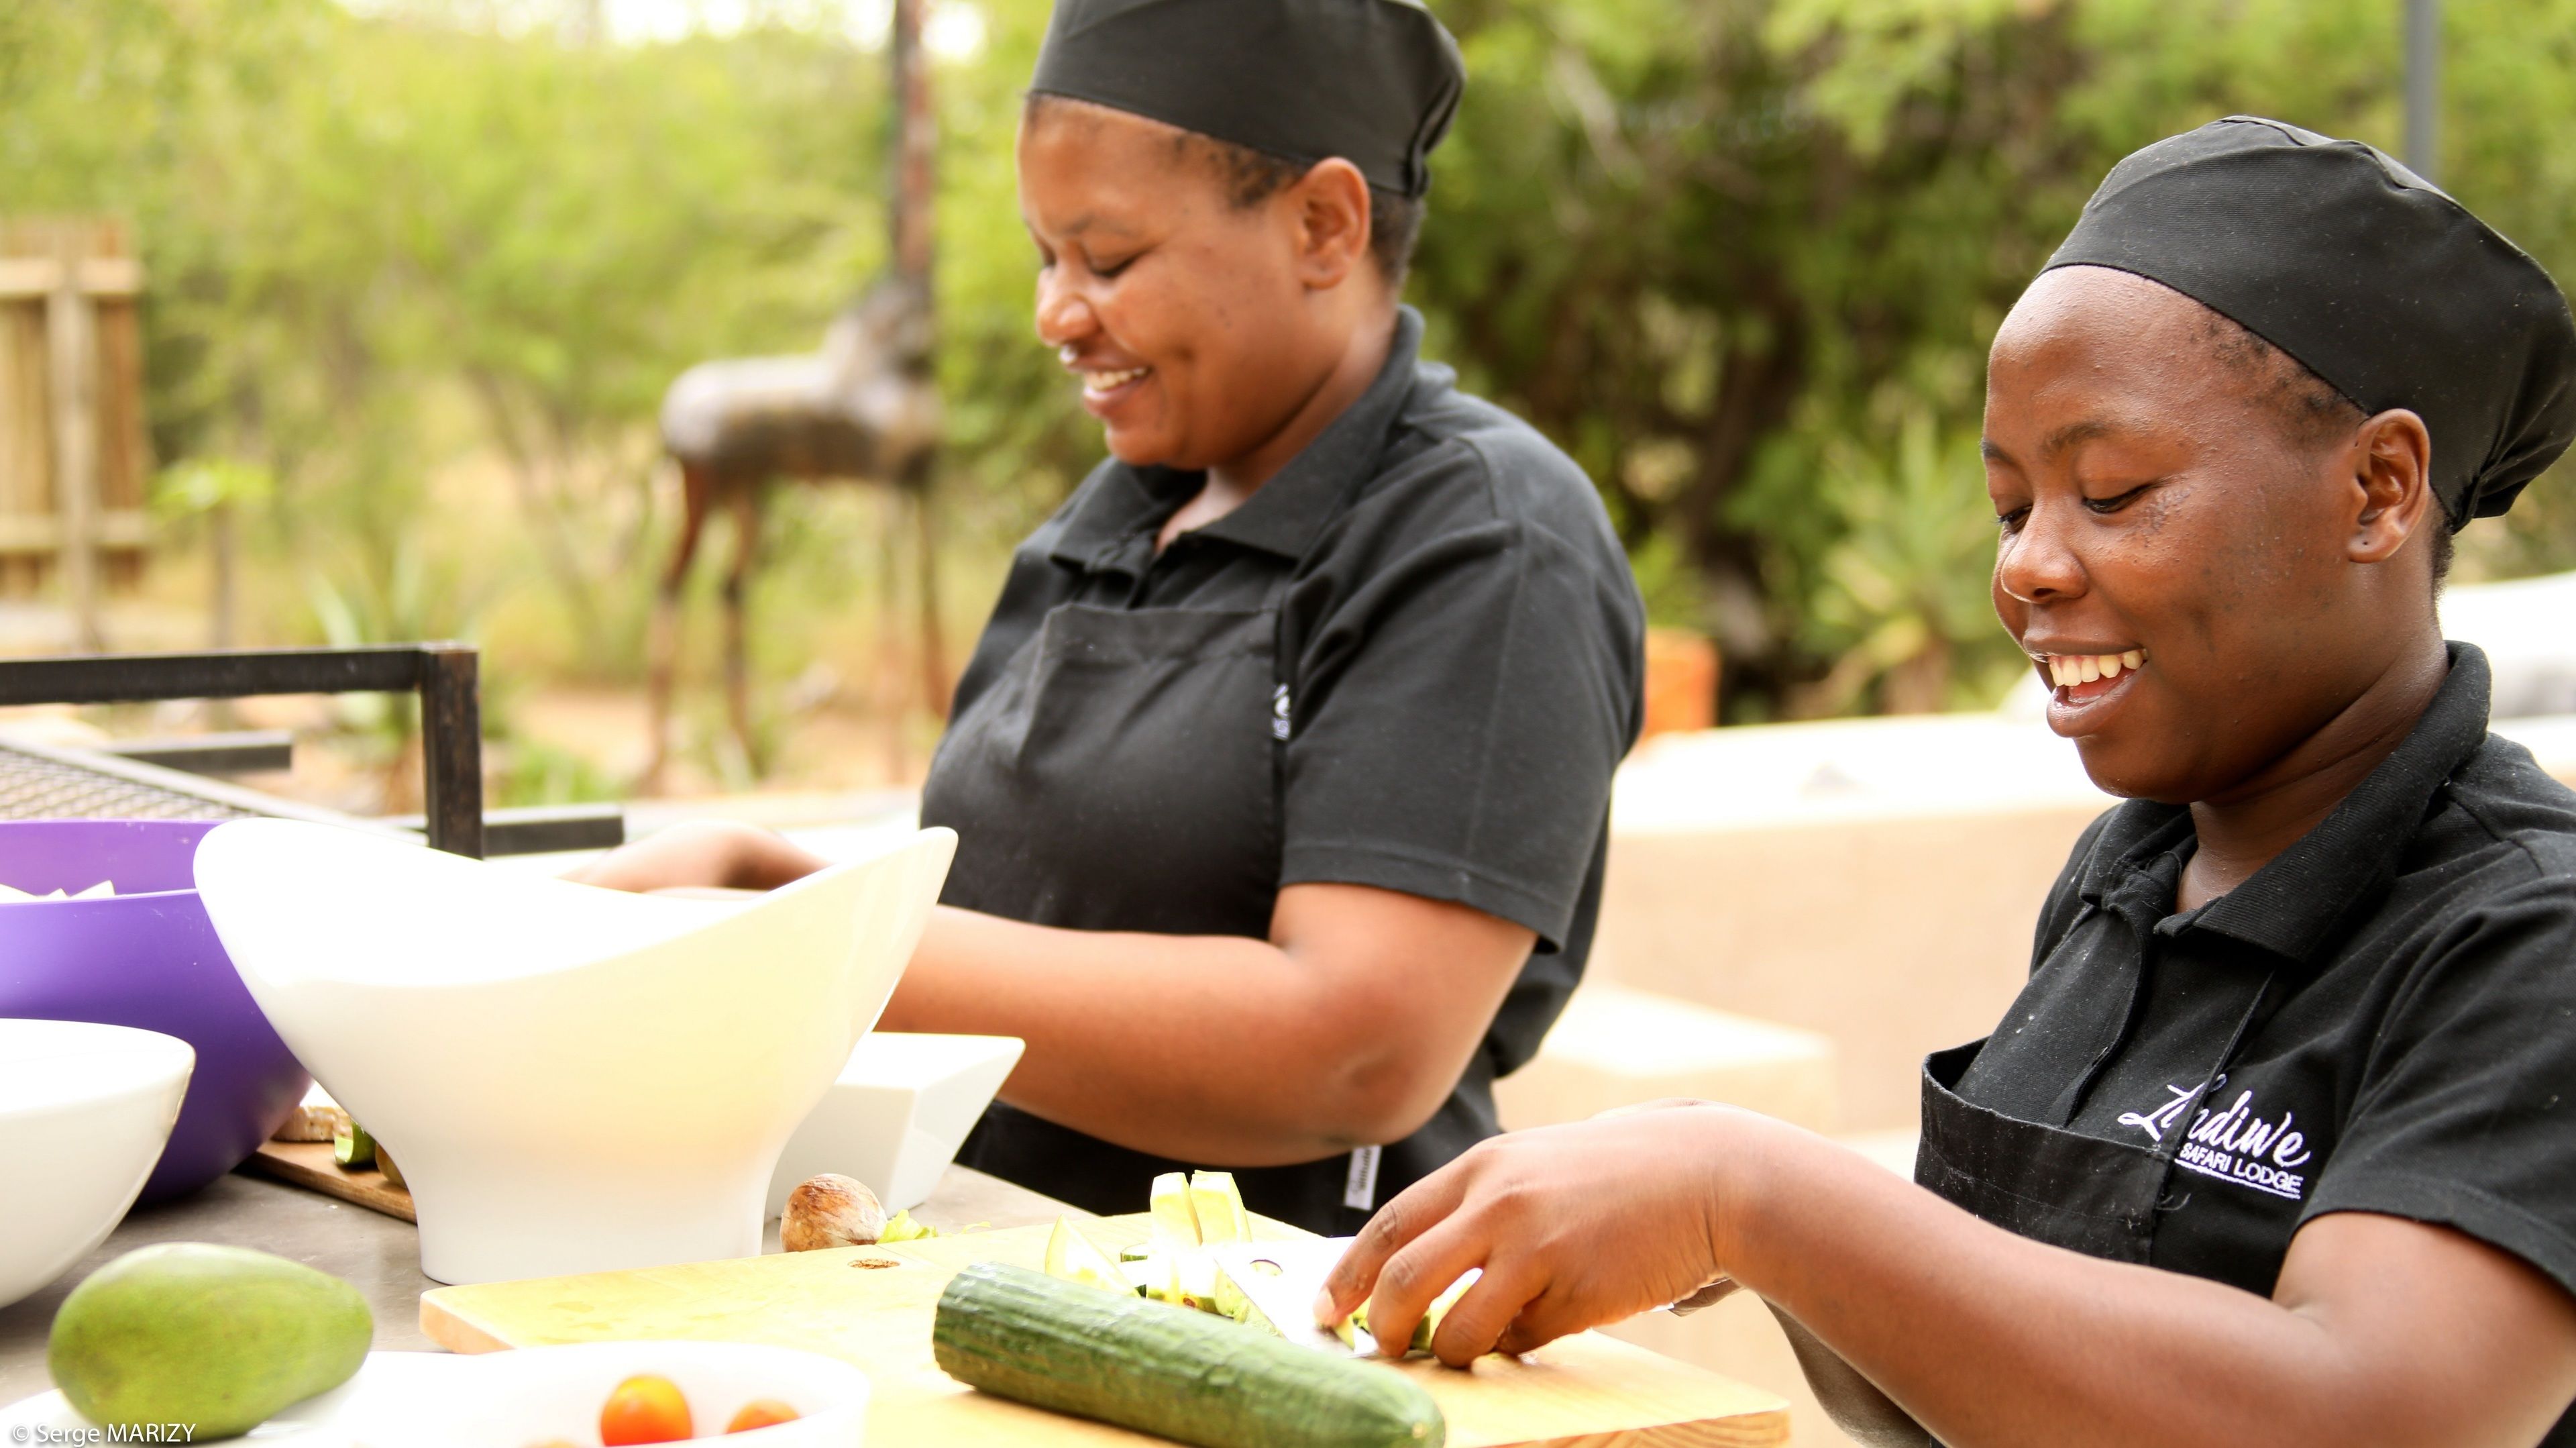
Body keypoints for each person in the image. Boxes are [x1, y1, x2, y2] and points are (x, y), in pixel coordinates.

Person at [1319, 117, 2576, 1448]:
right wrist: (1746, 1228)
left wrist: (1751, 1194)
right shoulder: (2128, 878)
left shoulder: (2527, 940)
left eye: (2114, 489)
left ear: (2378, 490)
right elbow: (1974, 1384)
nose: (2028, 565)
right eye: (2011, 505)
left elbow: (2369, 1409)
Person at [574, 0, 1645, 1234]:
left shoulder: (1486, 539)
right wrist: (764, 873)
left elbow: (1355, 1048)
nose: (1056, 314)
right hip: (975, 1290)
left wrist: (797, 951)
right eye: (1046, 255)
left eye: (1111, 258)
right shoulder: (1118, 517)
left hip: (1276, 1336)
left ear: (1322, 225)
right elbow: (1016, 916)